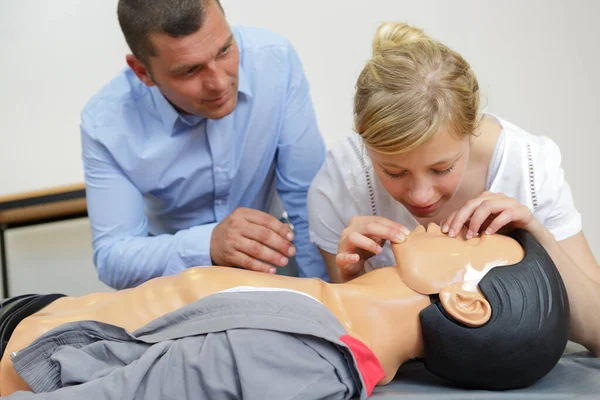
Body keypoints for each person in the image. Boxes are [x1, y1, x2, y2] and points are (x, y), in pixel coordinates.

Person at [0, 225, 569, 397]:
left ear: (466, 302)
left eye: (470, 244)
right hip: (39, 314)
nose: (449, 226)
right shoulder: (330, 307)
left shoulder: (306, 359)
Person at [307, 22, 600, 356]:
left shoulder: (530, 168)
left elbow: (597, 331)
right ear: (366, 144)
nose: (421, 195)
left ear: (472, 131)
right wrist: (351, 277)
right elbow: (350, 339)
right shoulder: (342, 183)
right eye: (393, 171)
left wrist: (539, 237)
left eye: (442, 168)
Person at [79, 0, 328, 290]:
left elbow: (307, 201)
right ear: (143, 72)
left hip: (274, 265)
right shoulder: (106, 124)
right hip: (178, 285)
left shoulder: (275, 62)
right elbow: (113, 256)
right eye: (190, 71)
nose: (219, 83)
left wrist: (327, 299)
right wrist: (208, 243)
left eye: (224, 51)